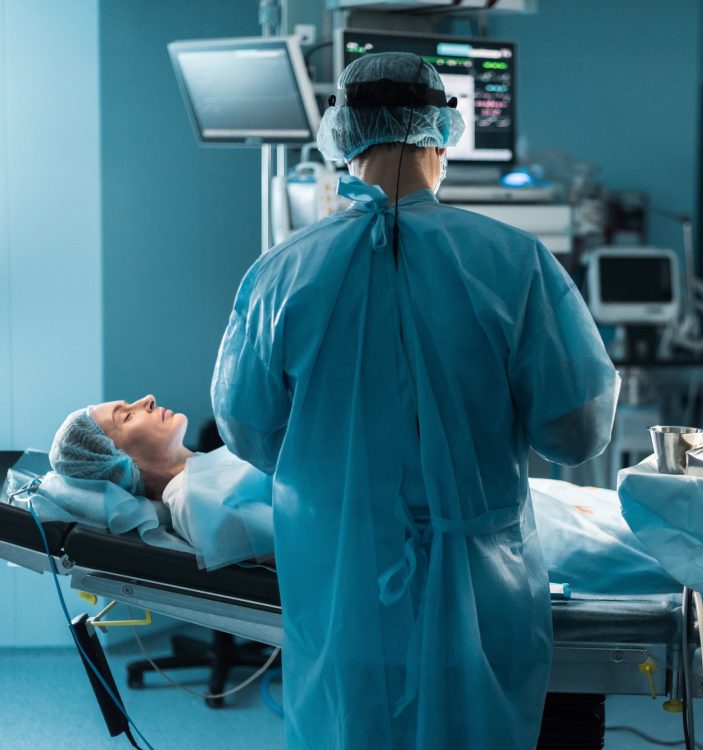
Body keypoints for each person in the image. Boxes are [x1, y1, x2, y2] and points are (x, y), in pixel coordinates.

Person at [212, 51, 619, 750]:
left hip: (340, 579)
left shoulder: (282, 274)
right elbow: (577, 434)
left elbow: (248, 431)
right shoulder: (515, 264)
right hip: (480, 588)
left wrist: (338, 453)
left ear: (344, 135)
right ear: (441, 133)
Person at [48, 395, 273, 570]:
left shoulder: (202, 474)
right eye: (127, 416)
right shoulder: (194, 501)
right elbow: (299, 547)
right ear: (120, 465)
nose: (148, 399)